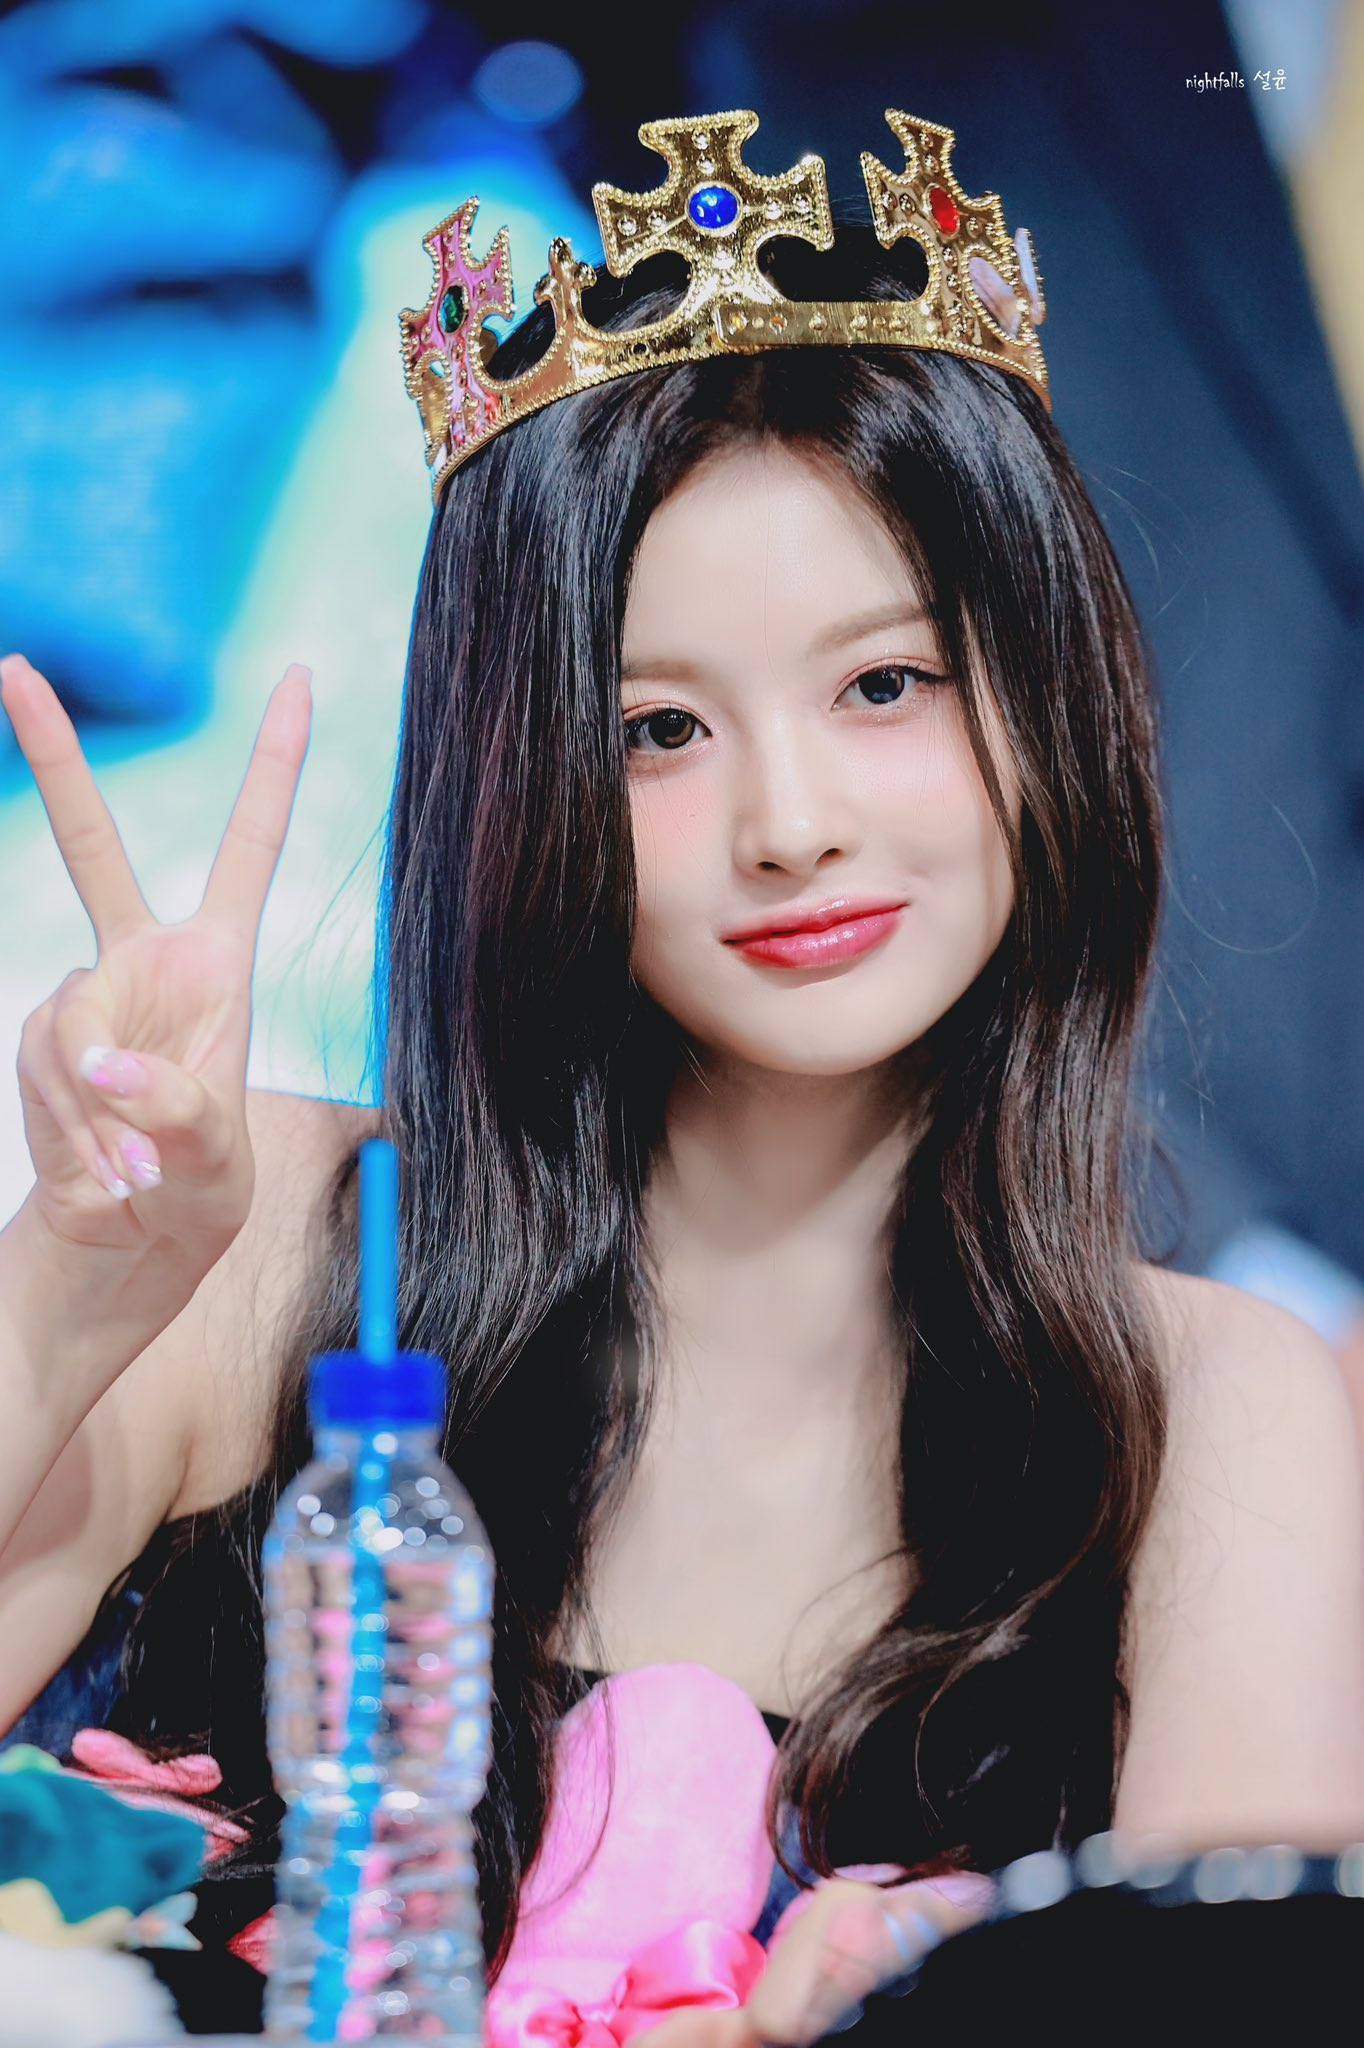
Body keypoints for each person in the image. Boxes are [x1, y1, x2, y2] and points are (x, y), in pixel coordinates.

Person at [2, 105, 1364, 2040]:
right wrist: (78, 1288)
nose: (791, 824)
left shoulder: (1210, 1415)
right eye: (657, 729)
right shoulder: (277, 1249)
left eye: (885, 684)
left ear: (1047, 699)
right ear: (520, 777)